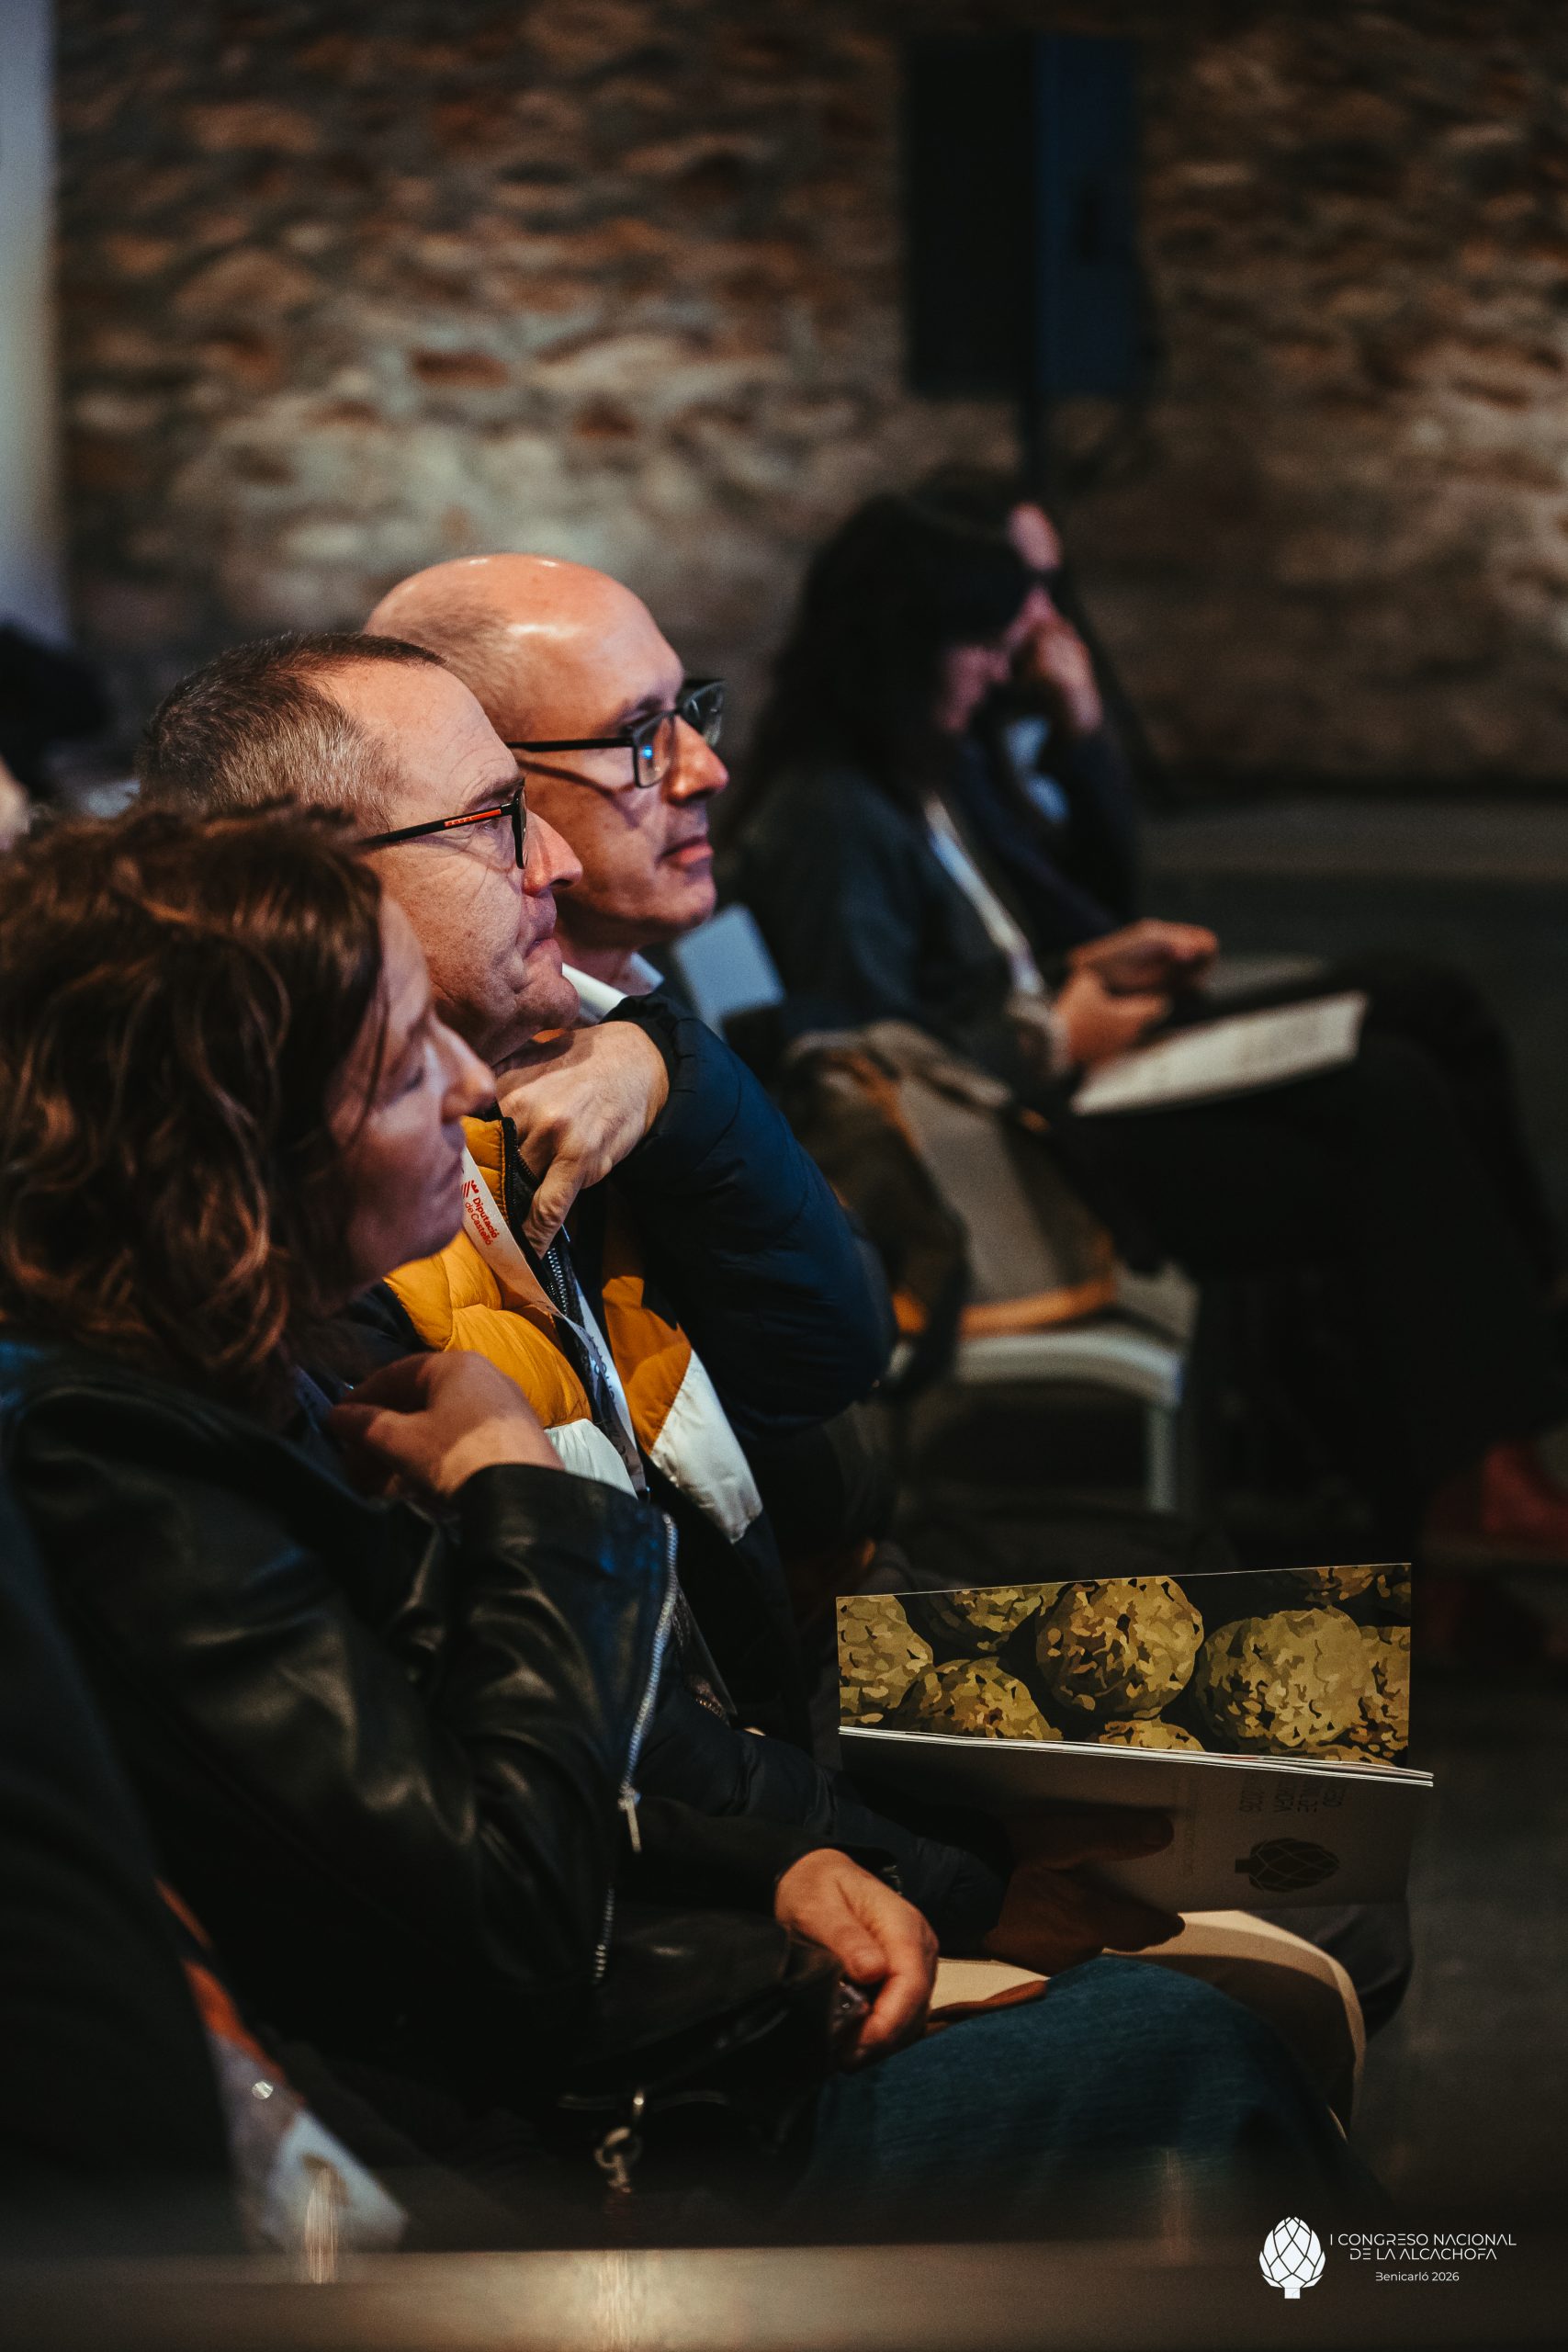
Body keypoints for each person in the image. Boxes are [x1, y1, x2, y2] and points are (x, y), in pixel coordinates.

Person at [0, 805, 1371, 2237]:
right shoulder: (117, 1459)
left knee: (1310, 1750)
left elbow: (836, 1407)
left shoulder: (276, 1337)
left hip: (753, 1757)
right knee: (1186, 2045)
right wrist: (523, 1495)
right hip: (502, 2169)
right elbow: (498, 1891)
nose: (463, 1080)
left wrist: (679, 1073)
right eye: (406, 1061)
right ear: (236, 1152)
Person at [725, 492, 1568, 1561]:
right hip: (1014, 1156)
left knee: (1406, 1010)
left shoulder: (917, 763)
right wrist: (1051, 1035)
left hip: (1062, 1088)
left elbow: (1044, 923)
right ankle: (1468, 1480)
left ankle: (1477, 1441)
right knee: (1383, 1099)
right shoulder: (832, 815)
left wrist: (1084, 971)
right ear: (905, 647)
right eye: (983, 644)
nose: (1000, 668)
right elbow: (863, 1074)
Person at [916, 465, 1144, 928]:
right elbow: (1049, 920)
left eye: (1051, 585)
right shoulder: (932, 736)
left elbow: (1109, 897)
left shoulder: (1011, 719)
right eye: (1022, 586)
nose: (1048, 617)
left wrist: (1084, 737)